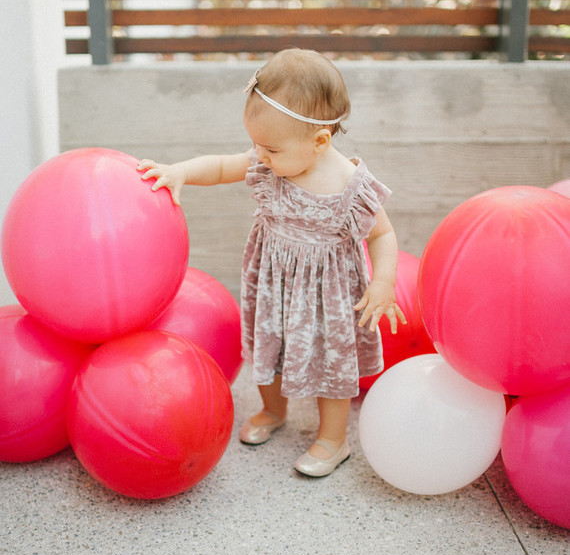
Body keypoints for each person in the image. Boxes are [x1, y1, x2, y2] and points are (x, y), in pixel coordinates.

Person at [138, 49, 405, 477]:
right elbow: (224, 165)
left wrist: (383, 282)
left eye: (271, 148)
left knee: (332, 367)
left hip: (327, 297)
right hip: (273, 284)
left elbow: (383, 234)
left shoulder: (351, 186)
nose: (260, 156)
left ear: (320, 141)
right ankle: (272, 410)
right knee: (268, 350)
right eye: (257, 144)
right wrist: (181, 171)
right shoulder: (270, 160)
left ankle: (333, 440)